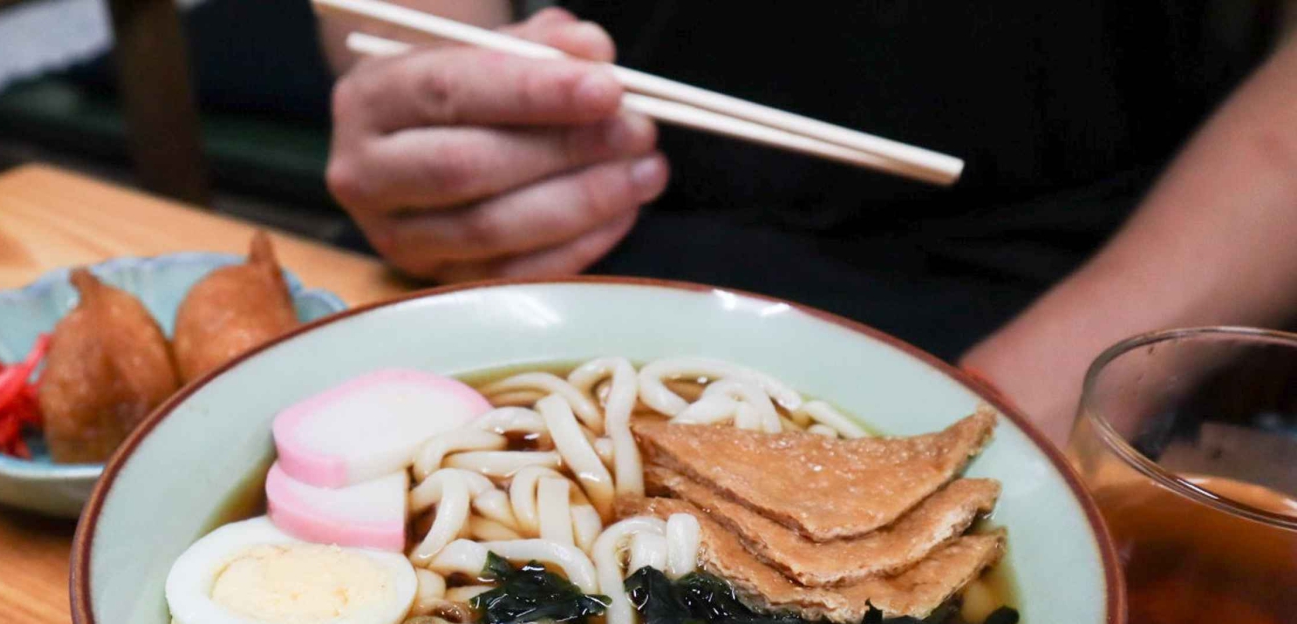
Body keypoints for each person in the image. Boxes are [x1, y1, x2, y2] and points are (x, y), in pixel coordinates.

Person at [321, 2, 1297, 438]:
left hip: (1058, 290)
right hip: (578, 220)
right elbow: (404, 26)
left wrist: (1088, 377)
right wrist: (442, 123)